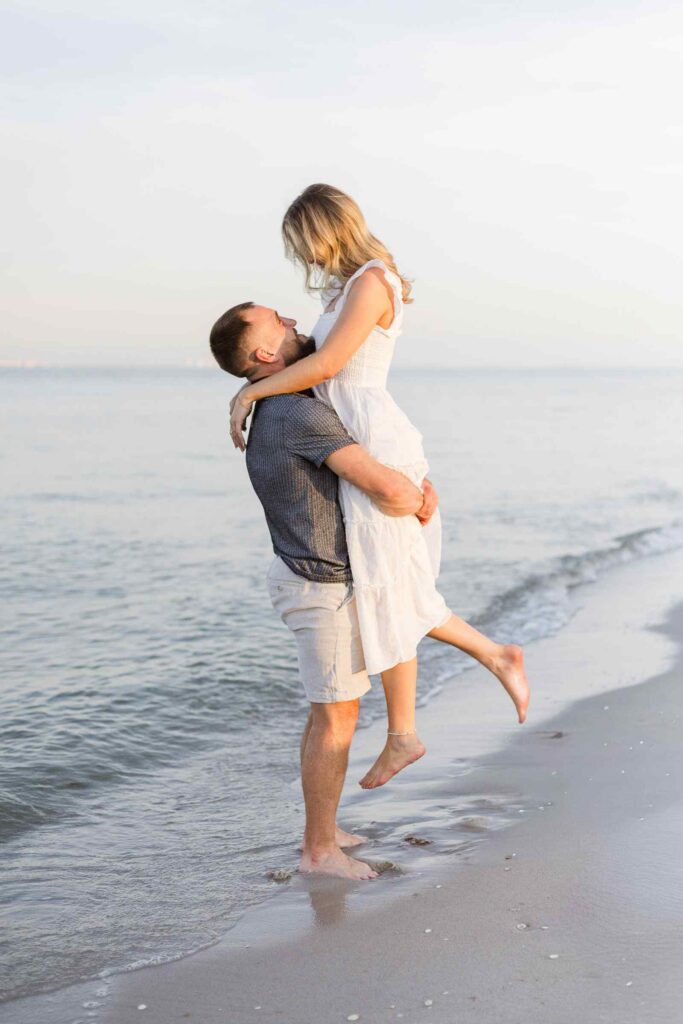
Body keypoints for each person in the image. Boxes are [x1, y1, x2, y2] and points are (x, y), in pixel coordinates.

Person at [228, 184, 530, 790]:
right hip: (357, 432)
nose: (303, 256)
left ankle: (420, 719)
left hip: (370, 434)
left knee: (388, 581)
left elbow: (331, 365)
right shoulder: (347, 287)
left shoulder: (371, 280)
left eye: (302, 242)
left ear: (325, 229)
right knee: (387, 580)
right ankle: (448, 695)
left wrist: (249, 392)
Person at [210, 306, 438, 879]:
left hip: (307, 578)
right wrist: (419, 497)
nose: (290, 318)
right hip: (320, 587)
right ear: (265, 355)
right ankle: (318, 852)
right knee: (334, 720)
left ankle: (325, 827)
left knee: (326, 715)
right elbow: (382, 484)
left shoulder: (280, 403)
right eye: (275, 321)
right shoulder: (293, 411)